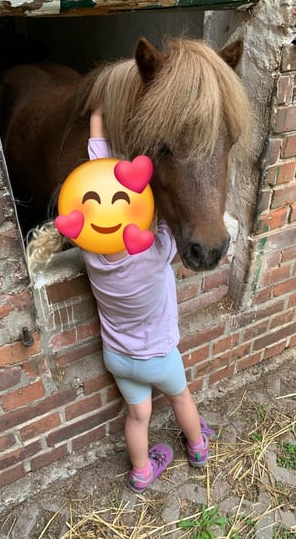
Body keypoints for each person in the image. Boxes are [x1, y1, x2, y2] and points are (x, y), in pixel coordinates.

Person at [82, 107, 215, 493]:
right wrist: (103, 110)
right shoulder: (157, 253)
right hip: (160, 357)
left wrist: (98, 120)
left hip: (119, 359)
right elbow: (170, 219)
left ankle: (141, 471)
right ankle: (198, 446)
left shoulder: (92, 255)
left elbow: (101, 178)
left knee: (138, 416)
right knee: (181, 401)